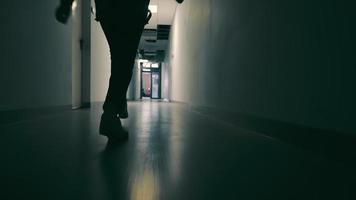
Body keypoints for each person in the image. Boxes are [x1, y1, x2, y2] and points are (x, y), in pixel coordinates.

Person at [55, 0, 184, 141]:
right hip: (133, 9)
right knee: (125, 60)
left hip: (107, 9)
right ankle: (110, 114)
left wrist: (66, 3)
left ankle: (119, 102)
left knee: (119, 57)